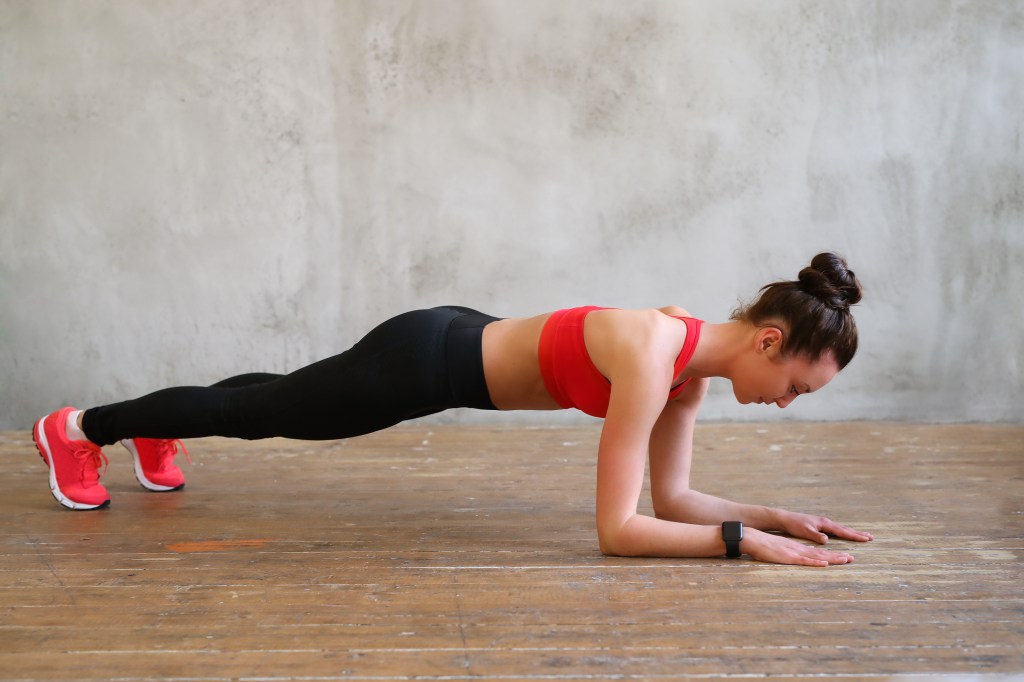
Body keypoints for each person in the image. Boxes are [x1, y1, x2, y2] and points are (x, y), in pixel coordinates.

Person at [33, 251, 874, 566]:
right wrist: (740, 548)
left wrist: (775, 518)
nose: (787, 405)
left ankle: (153, 424)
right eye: (799, 386)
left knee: (276, 399)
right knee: (271, 412)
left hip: (450, 343)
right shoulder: (656, 361)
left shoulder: (683, 368)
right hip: (426, 362)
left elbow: (673, 503)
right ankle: (79, 429)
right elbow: (618, 533)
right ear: (769, 341)